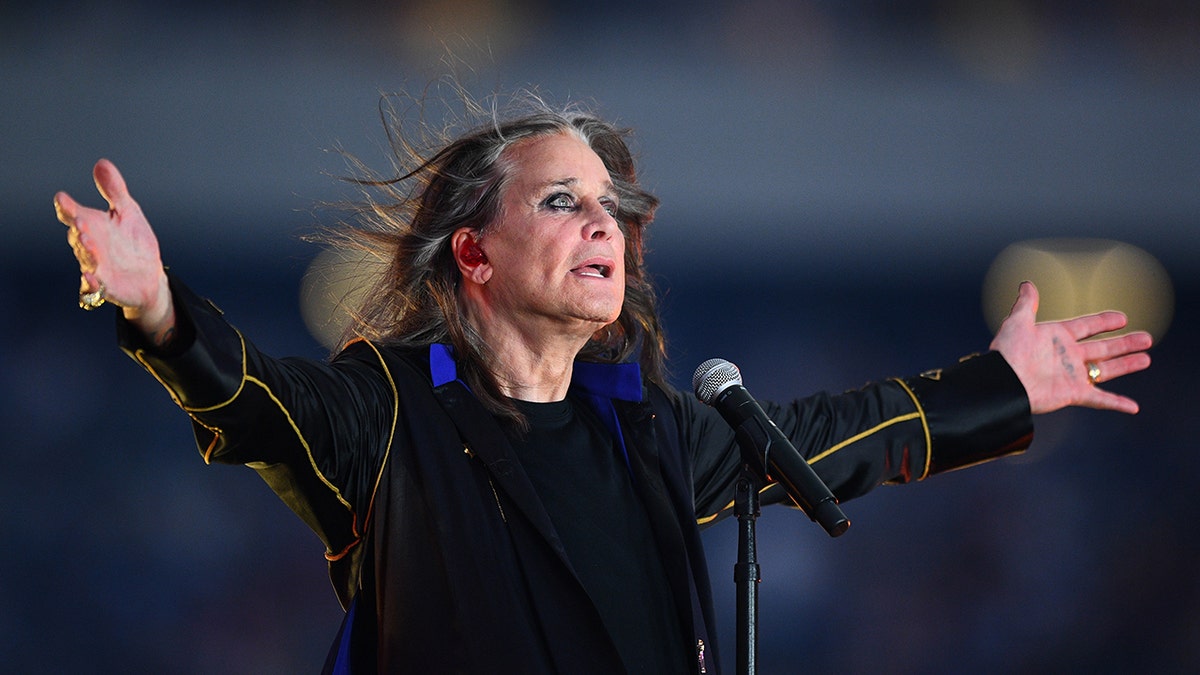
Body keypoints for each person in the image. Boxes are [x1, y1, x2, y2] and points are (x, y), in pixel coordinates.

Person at [54, 97, 1152, 674]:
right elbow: (254, 404)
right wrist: (157, 310)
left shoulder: (651, 429)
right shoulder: (385, 407)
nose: (604, 224)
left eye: (612, 209)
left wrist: (1001, 385)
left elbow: (834, 436)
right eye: (562, 202)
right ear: (472, 255)